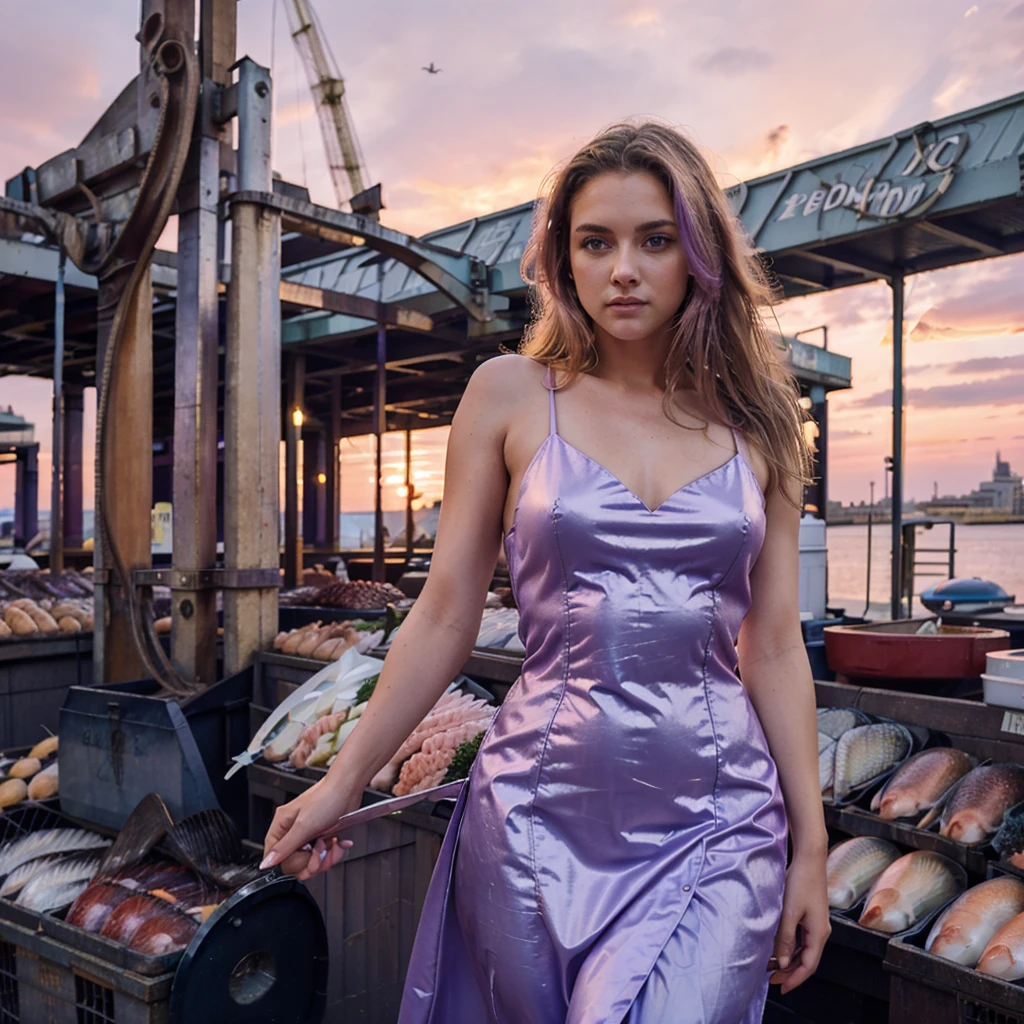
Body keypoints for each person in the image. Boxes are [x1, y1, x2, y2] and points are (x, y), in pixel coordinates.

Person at [262, 120, 829, 1023]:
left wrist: (811, 847)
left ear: (700, 254)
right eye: (595, 243)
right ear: (563, 261)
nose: (624, 270)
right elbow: (445, 614)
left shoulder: (762, 425)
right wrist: (339, 784)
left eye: (656, 239)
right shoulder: (509, 393)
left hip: (719, 819)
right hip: (535, 815)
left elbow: (773, 651)